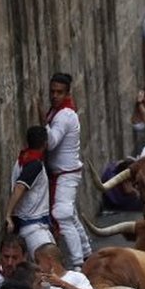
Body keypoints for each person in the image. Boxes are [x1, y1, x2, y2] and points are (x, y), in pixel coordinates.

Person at [39, 72, 92, 270]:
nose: (54, 96)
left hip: (66, 174)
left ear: (67, 93)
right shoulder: (59, 111)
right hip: (65, 173)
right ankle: (87, 253)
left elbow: (51, 143)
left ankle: (78, 265)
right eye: (52, 91)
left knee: (62, 214)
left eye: (59, 92)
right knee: (70, 215)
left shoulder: (63, 115)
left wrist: (41, 119)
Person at [4, 126, 53, 256]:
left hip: (33, 225)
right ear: (45, 143)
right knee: (49, 267)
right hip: (34, 228)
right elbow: (20, 186)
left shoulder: (22, 159)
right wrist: (8, 214)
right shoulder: (34, 165)